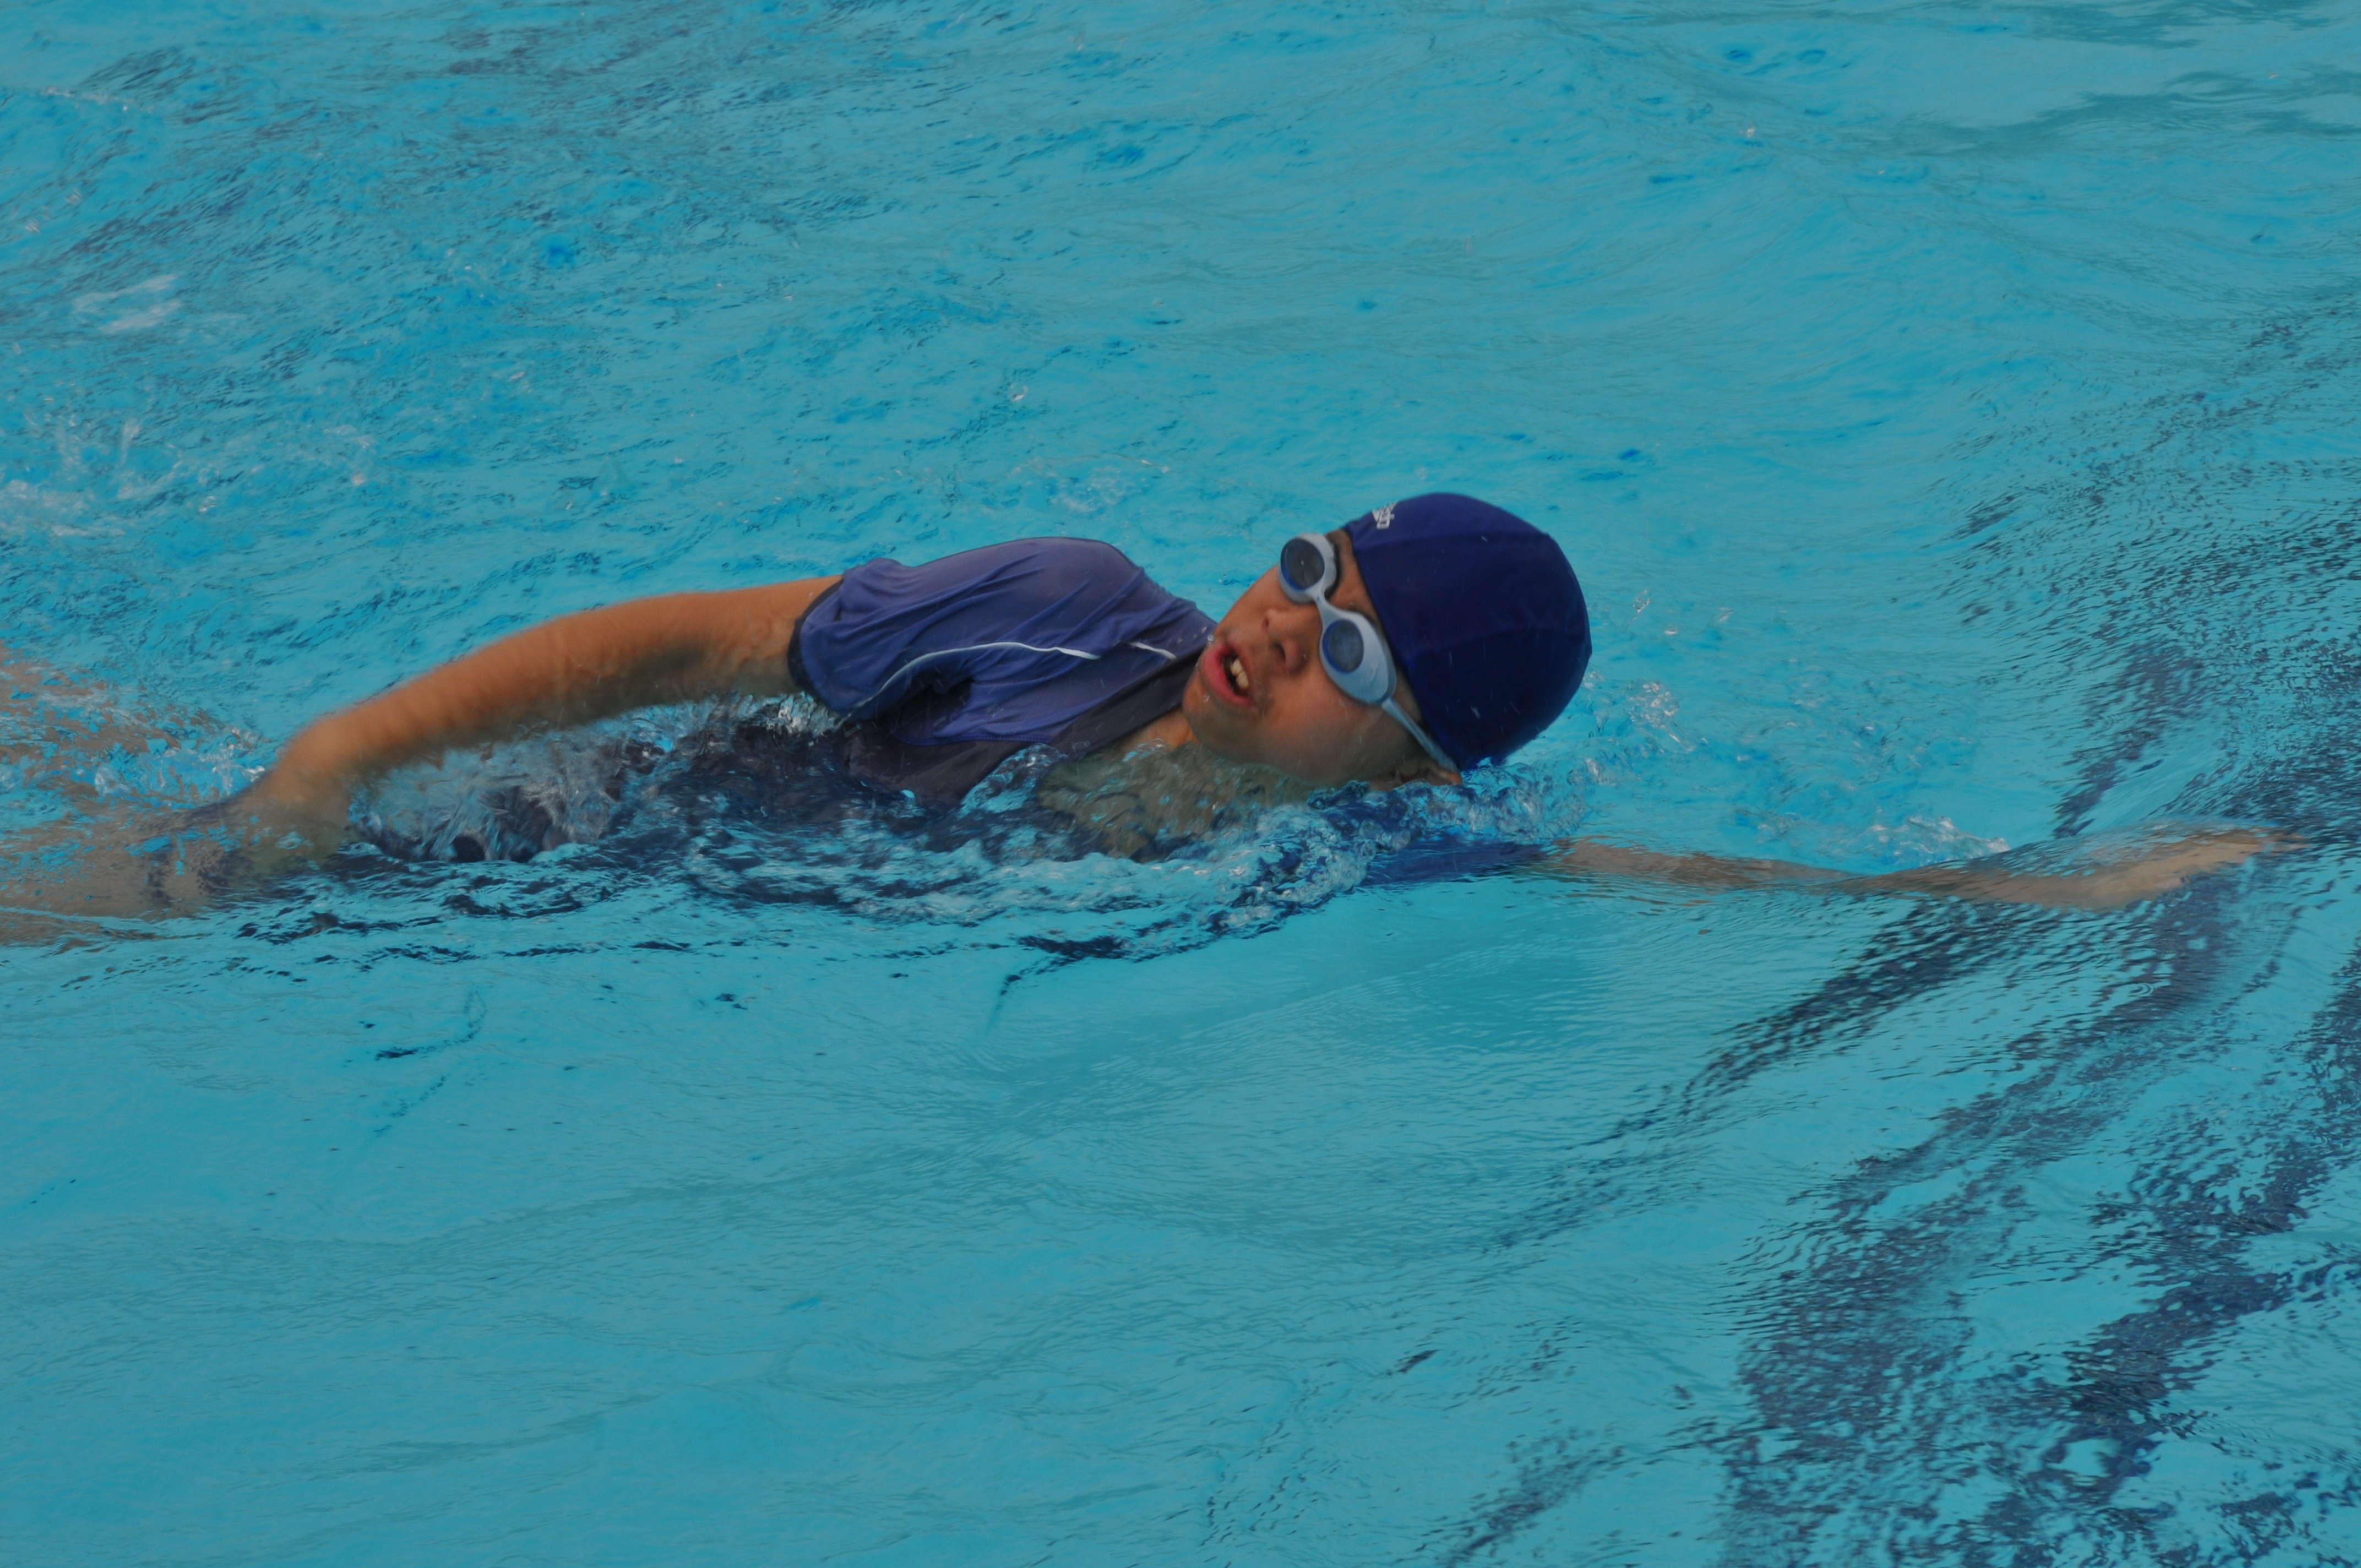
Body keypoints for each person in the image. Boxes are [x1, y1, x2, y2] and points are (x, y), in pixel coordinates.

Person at [0, 492, 2278, 934]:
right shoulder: (1062, 610)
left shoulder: (1366, 856)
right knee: (154, 866)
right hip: (560, 823)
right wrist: (344, 763)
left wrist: (2047, 890)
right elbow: (676, 645)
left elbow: (1680, 877)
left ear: (1415, 755)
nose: (1283, 629)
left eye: (1351, 653)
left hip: (614, 928)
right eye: (1312, 572)